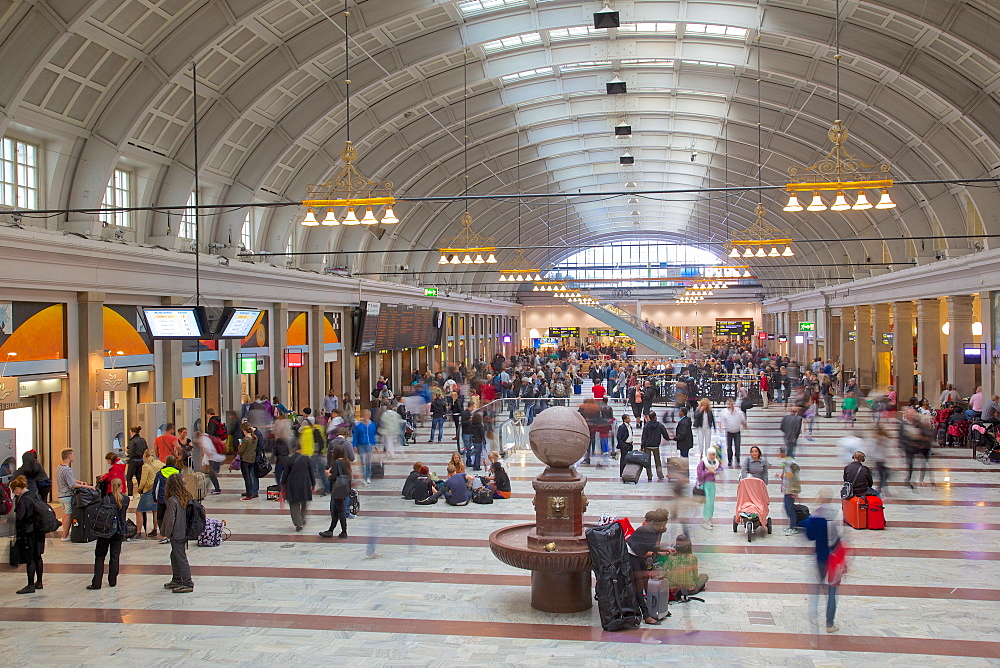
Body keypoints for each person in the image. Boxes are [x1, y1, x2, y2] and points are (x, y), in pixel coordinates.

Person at [798, 499, 842, 633]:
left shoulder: (816, 521)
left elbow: (809, 536)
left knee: (817, 589)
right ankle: (829, 624)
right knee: (832, 592)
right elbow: (837, 543)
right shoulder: (833, 523)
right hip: (834, 560)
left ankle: (814, 620)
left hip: (820, 560)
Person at [625, 508, 671, 625]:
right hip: (632, 555)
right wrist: (664, 549)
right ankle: (646, 615)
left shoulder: (654, 528)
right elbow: (653, 550)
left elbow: (655, 546)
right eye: (662, 526)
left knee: (647, 582)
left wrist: (660, 533)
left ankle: (656, 609)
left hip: (640, 554)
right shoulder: (648, 531)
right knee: (639, 586)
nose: (663, 527)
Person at [87, 478, 130, 590]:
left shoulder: (106, 499)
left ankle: (97, 582)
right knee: (115, 555)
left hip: (105, 530)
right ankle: (112, 580)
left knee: (100, 556)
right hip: (119, 530)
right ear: (121, 486)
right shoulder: (125, 499)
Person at [10, 475, 46, 594]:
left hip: (29, 531)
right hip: (39, 530)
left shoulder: (24, 499)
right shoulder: (35, 495)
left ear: (18, 488)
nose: (14, 493)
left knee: (30, 558)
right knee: (38, 556)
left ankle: (30, 585)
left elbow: (20, 517)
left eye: (14, 490)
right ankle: (39, 582)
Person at [161, 474, 194, 593]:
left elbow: (170, 519)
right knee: (174, 555)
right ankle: (176, 579)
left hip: (176, 533)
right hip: (184, 530)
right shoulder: (186, 497)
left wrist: (166, 533)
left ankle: (187, 582)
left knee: (180, 557)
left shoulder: (172, 500)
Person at [56, 448, 93, 541]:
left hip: (61, 495)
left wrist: (79, 481)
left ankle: (65, 533)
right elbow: (72, 484)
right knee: (69, 514)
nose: (73, 457)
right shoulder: (68, 469)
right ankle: (65, 535)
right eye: (72, 455)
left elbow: (69, 479)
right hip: (67, 495)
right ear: (68, 456)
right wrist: (87, 487)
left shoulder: (59, 467)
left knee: (66, 513)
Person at [320, 442, 352, 538]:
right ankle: (330, 530)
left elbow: (334, 477)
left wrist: (328, 473)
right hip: (344, 488)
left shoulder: (336, 462)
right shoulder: (346, 462)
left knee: (340, 510)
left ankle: (344, 532)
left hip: (337, 489)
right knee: (336, 511)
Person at [281, 442, 314, 532]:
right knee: (304, 502)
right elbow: (311, 472)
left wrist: (282, 484)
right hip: (305, 484)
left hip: (292, 484)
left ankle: (298, 523)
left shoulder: (289, 460)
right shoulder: (306, 459)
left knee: (294, 504)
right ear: (301, 448)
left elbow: (285, 473)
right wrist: (313, 484)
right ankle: (302, 518)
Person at [151, 455, 180, 544]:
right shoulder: (178, 473)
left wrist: (155, 498)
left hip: (162, 498)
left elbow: (156, 487)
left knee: (161, 517)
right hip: (175, 498)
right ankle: (173, 534)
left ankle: (163, 535)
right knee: (174, 516)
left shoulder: (160, 473)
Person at [135, 449, 163, 539]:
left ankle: (138, 532)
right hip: (158, 490)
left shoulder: (146, 466)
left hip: (149, 490)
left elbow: (143, 481)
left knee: (139, 511)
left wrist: (139, 489)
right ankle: (155, 529)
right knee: (155, 511)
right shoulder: (159, 463)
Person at [695, 446, 722, 530]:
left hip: (712, 484)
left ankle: (710, 518)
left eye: (714, 455)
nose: (713, 456)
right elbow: (699, 473)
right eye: (711, 455)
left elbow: (720, 469)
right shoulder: (703, 462)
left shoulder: (715, 462)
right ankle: (705, 520)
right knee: (707, 502)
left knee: (712, 502)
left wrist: (715, 472)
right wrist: (707, 472)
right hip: (705, 484)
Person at [776, 447, 801, 535]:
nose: (778, 455)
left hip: (791, 490)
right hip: (787, 490)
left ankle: (793, 526)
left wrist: (795, 491)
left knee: (789, 508)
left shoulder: (791, 463)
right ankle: (792, 525)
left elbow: (795, 478)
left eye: (779, 453)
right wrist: (780, 475)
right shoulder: (785, 463)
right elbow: (787, 475)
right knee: (787, 507)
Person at [640, 411, 670, 481]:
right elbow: (665, 435)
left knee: (648, 462)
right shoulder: (660, 425)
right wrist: (670, 439)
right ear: (655, 417)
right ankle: (660, 474)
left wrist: (642, 446)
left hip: (647, 446)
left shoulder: (646, 426)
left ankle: (649, 476)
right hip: (656, 445)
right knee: (657, 461)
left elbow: (643, 437)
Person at [353, 409, 378, 485]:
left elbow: (373, 435)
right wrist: (354, 445)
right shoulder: (358, 426)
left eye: (367, 416)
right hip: (361, 445)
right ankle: (364, 477)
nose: (365, 417)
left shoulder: (372, 425)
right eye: (364, 415)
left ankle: (368, 476)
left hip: (369, 444)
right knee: (362, 462)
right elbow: (355, 436)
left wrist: (375, 444)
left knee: (368, 462)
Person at [720, 399, 747, 467]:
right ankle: (729, 460)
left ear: (734, 404)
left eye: (731, 404)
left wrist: (744, 426)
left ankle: (737, 459)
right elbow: (721, 421)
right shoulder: (724, 412)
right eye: (728, 404)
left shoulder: (739, 412)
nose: (730, 406)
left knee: (737, 446)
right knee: (729, 447)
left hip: (737, 431)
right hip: (729, 431)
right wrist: (720, 428)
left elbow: (743, 421)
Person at [195, 429, 223, 495]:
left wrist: (209, 463)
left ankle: (216, 489)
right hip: (217, 457)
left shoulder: (204, 439)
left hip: (212, 459)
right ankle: (213, 488)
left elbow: (207, 451)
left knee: (212, 474)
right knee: (211, 474)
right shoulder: (208, 437)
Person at [238, 422, 259, 500]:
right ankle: (250, 492)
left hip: (245, 459)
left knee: (246, 477)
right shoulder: (255, 437)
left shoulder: (245, 439)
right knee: (249, 476)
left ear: (244, 430)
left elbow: (241, 451)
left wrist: (240, 445)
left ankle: (249, 494)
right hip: (252, 458)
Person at [125, 426, 147, 495]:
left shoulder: (132, 441)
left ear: (132, 432)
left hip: (133, 461)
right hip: (141, 460)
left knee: (129, 477)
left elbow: (131, 452)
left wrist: (126, 451)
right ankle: (141, 493)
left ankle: (130, 494)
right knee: (139, 477)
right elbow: (146, 450)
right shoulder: (143, 440)